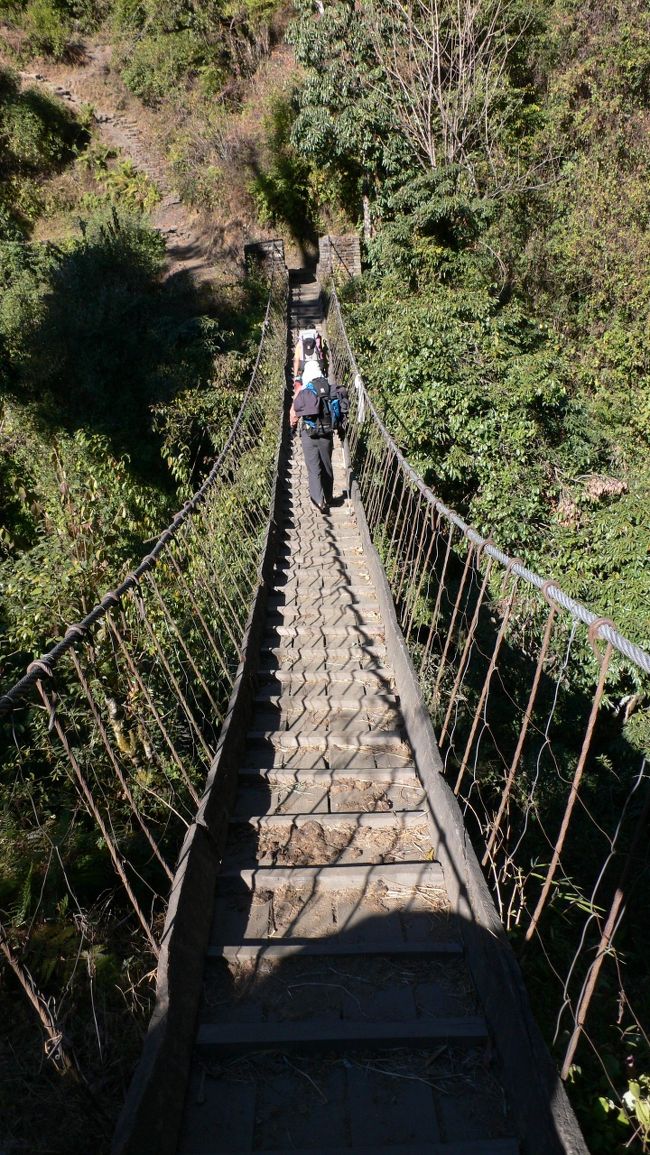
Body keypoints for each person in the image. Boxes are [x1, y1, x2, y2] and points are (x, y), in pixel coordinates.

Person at [290, 373, 347, 514]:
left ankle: (318, 500)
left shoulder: (304, 391)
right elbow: (340, 410)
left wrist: (293, 427)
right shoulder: (331, 390)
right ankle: (328, 497)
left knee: (313, 468)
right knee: (327, 465)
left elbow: (293, 414)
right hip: (326, 434)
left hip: (309, 434)